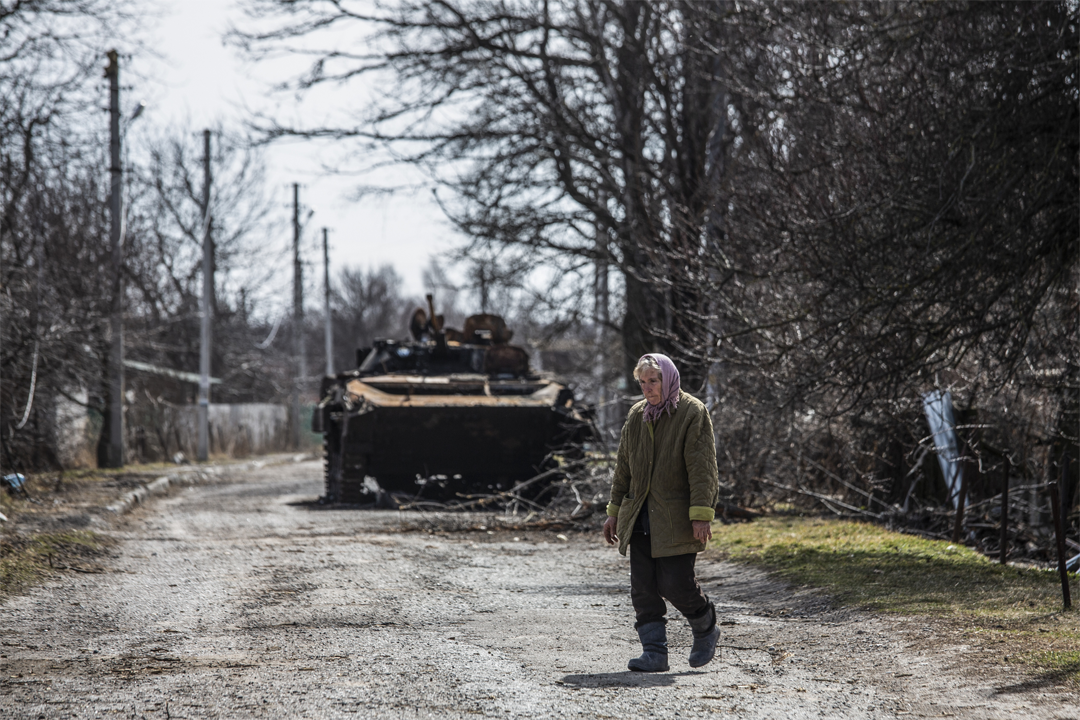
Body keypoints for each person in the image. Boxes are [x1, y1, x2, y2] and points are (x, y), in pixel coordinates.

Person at [602, 353, 720, 672]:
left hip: (676, 517)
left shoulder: (692, 412)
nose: (648, 388)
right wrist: (613, 512)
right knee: (642, 588)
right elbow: (623, 467)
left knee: (675, 584)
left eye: (653, 381)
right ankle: (654, 653)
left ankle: (705, 624)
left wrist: (701, 514)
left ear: (667, 378)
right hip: (639, 514)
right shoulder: (637, 415)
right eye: (642, 382)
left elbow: (702, 467)